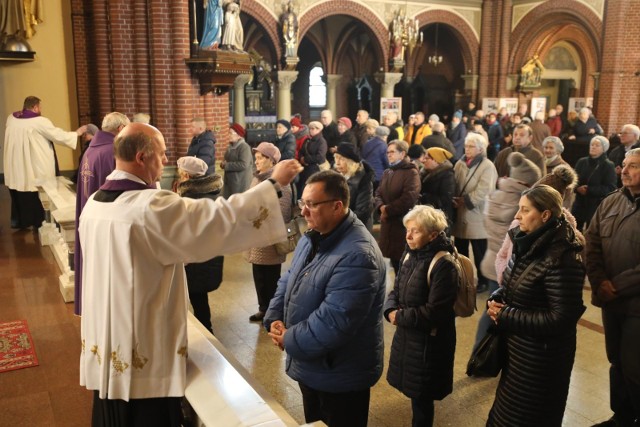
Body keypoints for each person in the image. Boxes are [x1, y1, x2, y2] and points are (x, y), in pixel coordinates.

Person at [79, 122, 302, 425]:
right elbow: (217, 219)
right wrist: (272, 185)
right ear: (142, 157)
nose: (165, 161)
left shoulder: (94, 205)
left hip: (108, 333)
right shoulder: (149, 206)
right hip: (142, 341)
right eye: (162, 154)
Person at [264, 170, 386, 427]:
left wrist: (289, 338)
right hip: (312, 363)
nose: (304, 212)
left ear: (337, 206)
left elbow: (334, 322)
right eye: (302, 203)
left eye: (311, 205)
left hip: (340, 373)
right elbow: (290, 278)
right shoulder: (315, 235)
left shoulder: (358, 255)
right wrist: (274, 316)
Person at [486, 185, 586, 427]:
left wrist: (506, 315)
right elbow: (521, 281)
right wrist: (501, 295)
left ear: (545, 215)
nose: (517, 216)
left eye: (524, 210)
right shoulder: (530, 241)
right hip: (520, 351)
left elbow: (561, 318)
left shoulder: (562, 256)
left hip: (542, 360)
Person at [384, 205, 458, 427]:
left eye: (415, 231)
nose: (407, 235)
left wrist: (399, 317)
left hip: (429, 343)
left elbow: (436, 312)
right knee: (415, 392)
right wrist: (389, 310)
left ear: (433, 235)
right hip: (410, 336)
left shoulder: (443, 263)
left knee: (423, 399)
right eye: (407, 229)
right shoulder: (410, 254)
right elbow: (396, 289)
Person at [585, 148, 640, 427]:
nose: (625, 171)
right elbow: (591, 241)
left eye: (634, 166)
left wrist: (615, 285)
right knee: (616, 359)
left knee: (635, 365)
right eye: (624, 165)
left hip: (636, 305)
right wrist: (598, 280)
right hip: (611, 300)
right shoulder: (611, 202)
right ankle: (621, 416)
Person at [472, 152, 541, 350]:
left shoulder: (496, 194)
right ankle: (483, 354)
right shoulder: (523, 204)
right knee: (497, 312)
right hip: (510, 265)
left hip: (493, 258)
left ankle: (480, 350)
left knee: (492, 307)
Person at [74, 112, 130, 316]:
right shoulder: (112, 152)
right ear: (121, 129)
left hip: (90, 220)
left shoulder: (91, 150)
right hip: (106, 224)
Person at [4, 96, 86, 230]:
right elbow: (57, 135)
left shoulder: (11, 119)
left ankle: (19, 221)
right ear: (35, 107)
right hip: (35, 163)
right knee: (38, 189)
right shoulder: (40, 121)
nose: (41, 110)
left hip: (17, 163)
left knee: (21, 186)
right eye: (40, 107)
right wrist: (76, 133)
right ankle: (40, 222)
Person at [175, 156, 225, 334]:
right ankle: (205, 329)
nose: (179, 176)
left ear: (186, 176)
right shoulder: (210, 195)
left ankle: (205, 333)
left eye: (180, 173)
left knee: (197, 298)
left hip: (194, 260)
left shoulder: (190, 199)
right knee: (199, 298)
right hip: (207, 259)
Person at [246, 143, 293, 322]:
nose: (256, 162)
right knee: (258, 275)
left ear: (271, 161)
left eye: (260, 159)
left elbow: (281, 212)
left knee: (271, 278)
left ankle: (274, 312)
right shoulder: (258, 178)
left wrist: (254, 216)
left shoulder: (281, 183)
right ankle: (263, 308)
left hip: (270, 239)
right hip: (256, 237)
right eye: (256, 158)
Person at [452, 133, 498, 293]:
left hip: (477, 214)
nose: (467, 149)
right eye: (466, 146)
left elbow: (485, 190)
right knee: (461, 251)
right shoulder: (460, 163)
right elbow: (454, 182)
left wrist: (464, 201)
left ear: (481, 148)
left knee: (480, 252)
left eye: (471, 146)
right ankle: (464, 278)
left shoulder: (487, 166)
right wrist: (453, 198)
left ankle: (484, 280)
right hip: (460, 214)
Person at [375, 140, 421, 274]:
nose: (389, 155)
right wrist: (381, 207)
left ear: (402, 154)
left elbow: (409, 198)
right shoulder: (388, 172)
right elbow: (378, 193)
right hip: (388, 222)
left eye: (392, 152)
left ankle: (403, 293)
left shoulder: (411, 172)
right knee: (394, 264)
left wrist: (387, 210)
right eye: (387, 152)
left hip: (401, 224)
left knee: (404, 263)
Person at [571, 135, 617, 231]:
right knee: (573, 231)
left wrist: (589, 191)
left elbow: (610, 188)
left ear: (604, 149)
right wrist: (577, 188)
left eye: (597, 145)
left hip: (595, 205)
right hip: (579, 204)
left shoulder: (608, 165)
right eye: (592, 144)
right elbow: (573, 180)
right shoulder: (582, 162)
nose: (593, 147)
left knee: (591, 233)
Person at [334, 142, 375, 230]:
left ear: (351, 162)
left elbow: (362, 212)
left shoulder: (364, 182)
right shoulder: (339, 176)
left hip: (356, 229)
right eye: (336, 158)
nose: (337, 163)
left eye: (341, 159)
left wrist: (338, 221)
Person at [420, 147, 455, 230]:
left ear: (436, 160)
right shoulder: (424, 173)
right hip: (427, 215)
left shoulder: (447, 176)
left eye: (426, 158)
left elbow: (445, 199)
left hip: (439, 219)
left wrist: (424, 197)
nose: (423, 160)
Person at [220, 123, 253, 198]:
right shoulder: (230, 147)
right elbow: (226, 160)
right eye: (228, 133)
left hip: (240, 182)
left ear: (238, 135)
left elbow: (244, 164)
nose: (228, 135)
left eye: (231, 133)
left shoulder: (244, 147)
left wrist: (227, 165)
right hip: (231, 182)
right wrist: (222, 164)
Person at [297, 121, 327, 195]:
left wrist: (306, 159)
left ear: (319, 130)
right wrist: (301, 158)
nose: (311, 130)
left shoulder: (322, 141)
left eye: (313, 129)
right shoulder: (307, 140)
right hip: (305, 168)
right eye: (310, 128)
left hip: (315, 168)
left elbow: (320, 157)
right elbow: (301, 151)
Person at [361, 123, 390, 189]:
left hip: (367, 174)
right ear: (385, 136)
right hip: (378, 176)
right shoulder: (384, 146)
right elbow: (386, 162)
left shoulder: (367, 143)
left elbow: (363, 156)